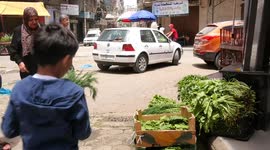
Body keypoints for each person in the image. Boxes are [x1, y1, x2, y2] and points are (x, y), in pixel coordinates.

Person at [1, 24, 91, 150]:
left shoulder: (20, 89)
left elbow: (9, 130)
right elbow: (83, 133)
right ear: (66, 60)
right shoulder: (74, 92)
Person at [8, 7, 40, 79]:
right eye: (31, 20)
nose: (34, 22)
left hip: (42, 68)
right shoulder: (18, 31)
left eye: (36, 19)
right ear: (25, 20)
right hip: (26, 69)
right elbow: (13, 50)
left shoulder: (42, 29)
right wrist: (20, 62)